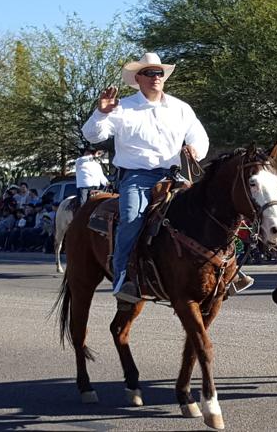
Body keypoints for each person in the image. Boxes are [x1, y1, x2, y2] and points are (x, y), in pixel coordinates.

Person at [82, 52, 209, 303]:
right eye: (149, 73)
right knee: (131, 217)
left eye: (159, 72)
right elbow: (93, 136)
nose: (156, 77)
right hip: (137, 177)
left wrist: (195, 149)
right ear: (137, 78)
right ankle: (123, 278)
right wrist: (100, 113)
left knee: (208, 211)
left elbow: (200, 136)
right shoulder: (122, 108)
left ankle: (223, 268)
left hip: (175, 175)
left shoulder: (181, 108)